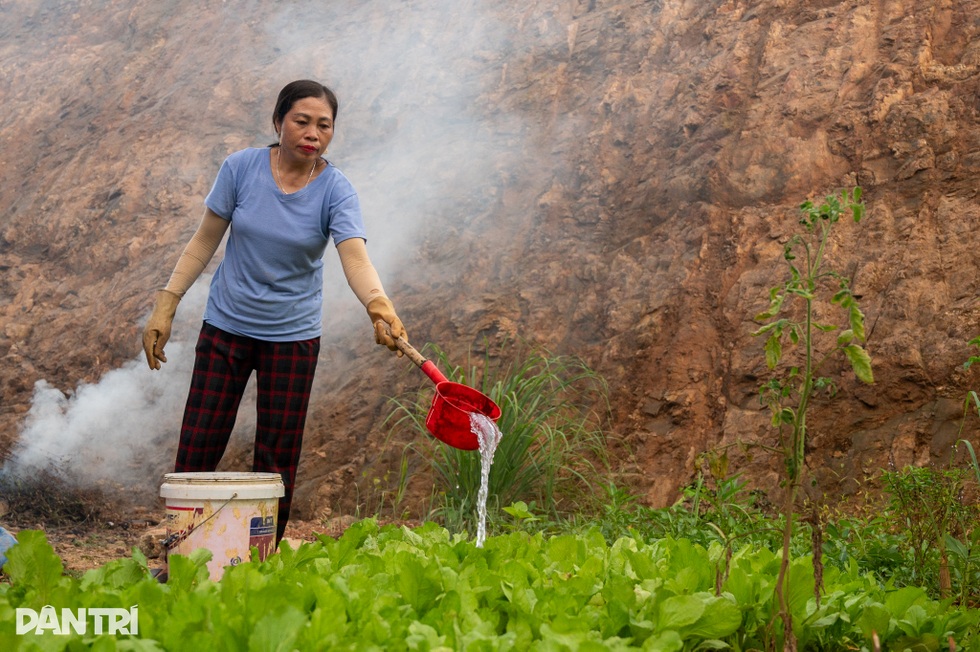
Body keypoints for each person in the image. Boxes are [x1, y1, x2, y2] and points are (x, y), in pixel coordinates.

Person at [141, 79, 408, 544]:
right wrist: (167, 304)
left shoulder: (335, 190)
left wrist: (378, 306)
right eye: (302, 121)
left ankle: (261, 552)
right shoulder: (241, 167)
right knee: (199, 441)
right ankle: (178, 547)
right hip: (226, 327)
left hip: (292, 338)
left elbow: (354, 255)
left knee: (276, 455)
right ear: (279, 121)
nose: (313, 133)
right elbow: (205, 239)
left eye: (324, 125)